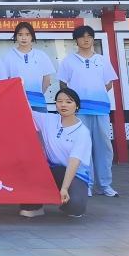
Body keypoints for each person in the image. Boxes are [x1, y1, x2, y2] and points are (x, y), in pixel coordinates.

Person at [58, 25, 119, 197]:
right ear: (76, 40)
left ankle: (104, 185)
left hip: (100, 110)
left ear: (93, 39)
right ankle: (87, 184)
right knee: (82, 147)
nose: (86, 39)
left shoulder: (102, 60)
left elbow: (109, 83)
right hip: (79, 111)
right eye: (82, 36)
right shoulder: (68, 61)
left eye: (89, 36)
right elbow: (63, 84)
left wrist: (95, 95)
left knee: (104, 147)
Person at [19, 87, 92, 219]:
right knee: (30, 170)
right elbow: (25, 110)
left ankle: (67, 199)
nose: (63, 105)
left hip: (74, 174)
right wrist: (18, 88)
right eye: (59, 101)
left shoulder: (82, 132)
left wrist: (64, 188)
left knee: (75, 207)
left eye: (68, 102)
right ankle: (35, 207)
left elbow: (74, 162)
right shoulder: (48, 120)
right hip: (51, 170)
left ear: (76, 106)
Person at [4, 22, 55, 113]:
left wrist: (38, 94)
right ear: (16, 37)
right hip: (16, 101)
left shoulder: (41, 55)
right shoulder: (9, 56)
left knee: (40, 122)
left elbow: (47, 79)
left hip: (38, 101)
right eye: (20, 35)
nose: (24, 38)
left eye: (27, 34)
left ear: (32, 36)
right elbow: (6, 80)